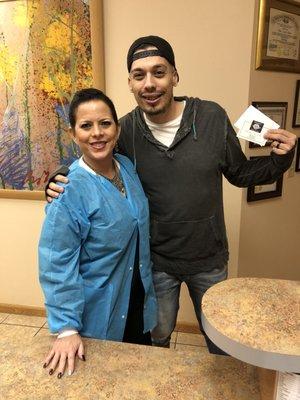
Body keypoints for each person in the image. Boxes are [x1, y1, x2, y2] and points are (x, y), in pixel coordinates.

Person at [46, 36, 297, 353]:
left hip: (208, 259)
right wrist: (59, 176)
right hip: (157, 263)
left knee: (220, 342)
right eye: (140, 75)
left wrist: (280, 159)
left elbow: (241, 174)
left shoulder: (210, 118)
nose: (149, 83)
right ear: (131, 83)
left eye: (159, 72)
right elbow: (94, 158)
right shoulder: (125, 131)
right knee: (157, 335)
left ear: (175, 76)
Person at [39, 88, 157, 379]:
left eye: (105, 123)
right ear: (73, 133)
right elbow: (56, 263)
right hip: (97, 312)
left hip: (137, 299)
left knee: (137, 378)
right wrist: (67, 328)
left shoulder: (127, 168)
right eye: (86, 125)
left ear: (117, 128)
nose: (97, 133)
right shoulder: (68, 191)